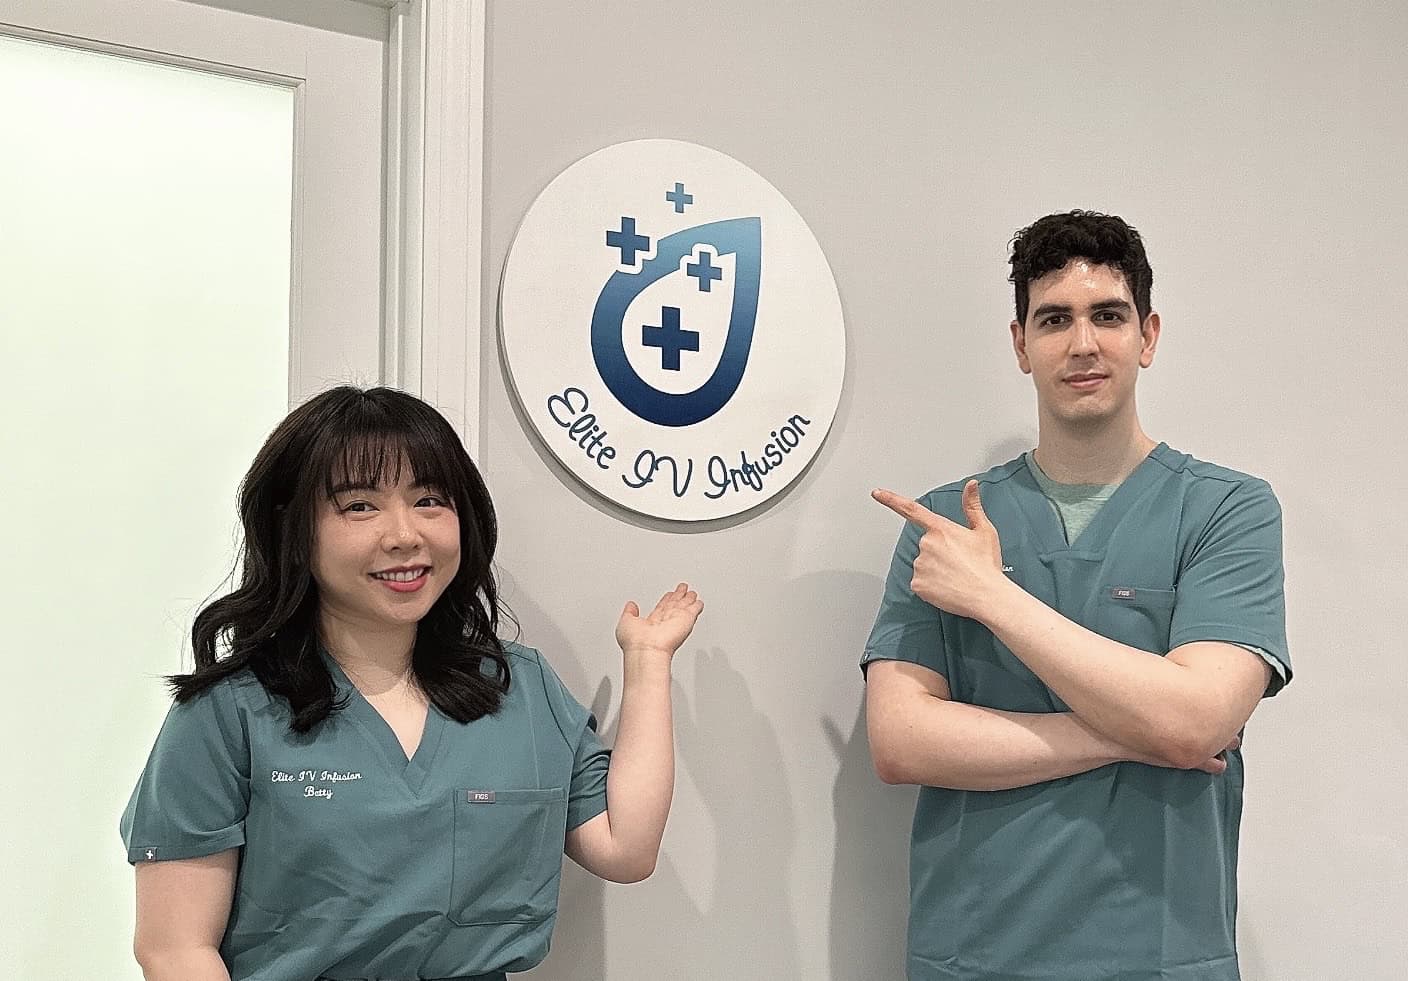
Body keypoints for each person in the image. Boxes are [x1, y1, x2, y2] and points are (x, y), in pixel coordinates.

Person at [120, 386, 703, 981]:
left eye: (429, 500)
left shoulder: (518, 689)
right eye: (359, 507)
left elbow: (626, 849)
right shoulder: (228, 713)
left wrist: (649, 661)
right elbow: (175, 948)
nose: (404, 534)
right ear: (293, 528)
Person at [863, 211, 1291, 981]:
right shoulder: (946, 527)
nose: (1083, 343)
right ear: (1021, 344)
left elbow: (1197, 718)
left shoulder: (1228, 510)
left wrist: (993, 599)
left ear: (1148, 336)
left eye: (1108, 316)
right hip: (974, 956)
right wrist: (1134, 734)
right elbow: (901, 741)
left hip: (1160, 957)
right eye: (1054, 318)